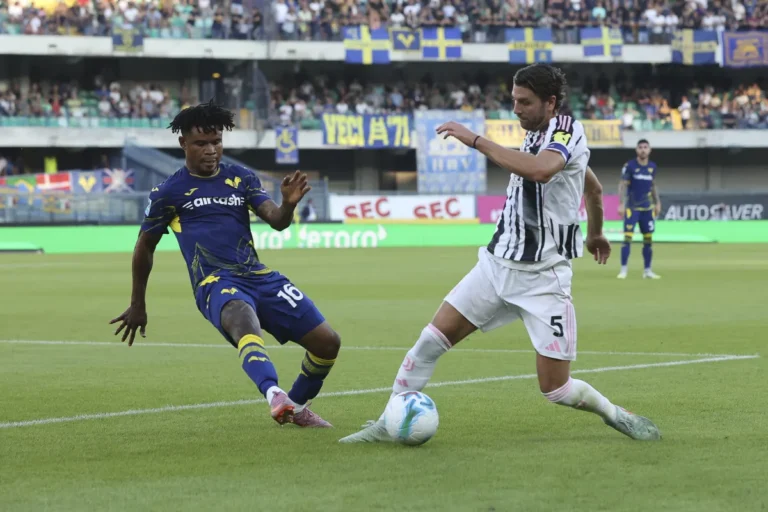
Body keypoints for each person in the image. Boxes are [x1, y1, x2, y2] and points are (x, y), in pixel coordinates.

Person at [339, 64, 661, 444]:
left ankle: (614, 413)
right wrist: (594, 233)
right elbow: (591, 187)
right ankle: (386, 424)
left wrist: (475, 140)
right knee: (427, 343)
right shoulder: (532, 135)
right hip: (495, 267)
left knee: (556, 389)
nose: (516, 110)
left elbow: (542, 171)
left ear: (550, 102)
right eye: (513, 101)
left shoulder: (567, 131)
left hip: (544, 278)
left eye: (525, 102)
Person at [110, 100, 340, 428]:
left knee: (328, 343)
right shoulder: (168, 192)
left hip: (260, 277)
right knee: (242, 318)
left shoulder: (241, 178)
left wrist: (287, 205)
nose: (211, 150)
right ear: (183, 144)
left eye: (216, 142)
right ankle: (273, 394)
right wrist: (137, 303)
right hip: (214, 281)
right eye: (201, 144)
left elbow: (276, 220)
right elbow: (144, 246)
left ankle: (298, 406)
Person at [617, 139, 662, 279]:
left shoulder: (652, 167)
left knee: (648, 239)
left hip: (647, 208)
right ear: (637, 150)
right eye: (640, 147)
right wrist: (621, 203)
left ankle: (647, 270)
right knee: (627, 238)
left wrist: (657, 203)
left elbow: (653, 185)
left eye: (645, 147)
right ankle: (623, 270)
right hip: (632, 207)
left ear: (649, 150)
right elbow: (622, 185)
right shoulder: (630, 166)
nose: (643, 149)